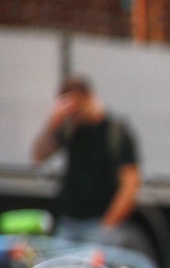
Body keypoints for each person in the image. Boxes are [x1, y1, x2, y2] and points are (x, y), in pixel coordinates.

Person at [29, 76, 142, 245]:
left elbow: (130, 184)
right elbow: (38, 155)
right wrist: (53, 123)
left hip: (98, 224)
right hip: (68, 222)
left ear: (88, 97)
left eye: (76, 105)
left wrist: (107, 225)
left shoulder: (116, 133)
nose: (74, 113)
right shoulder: (71, 129)